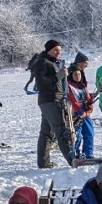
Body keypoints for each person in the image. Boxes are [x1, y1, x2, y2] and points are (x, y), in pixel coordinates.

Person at [28, 40, 76, 168]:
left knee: (46, 132)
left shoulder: (51, 62)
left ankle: (43, 162)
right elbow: (41, 83)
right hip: (51, 100)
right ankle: (72, 160)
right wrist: (58, 76)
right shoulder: (43, 62)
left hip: (50, 100)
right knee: (61, 130)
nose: (58, 53)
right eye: (55, 50)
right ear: (48, 50)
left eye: (60, 50)